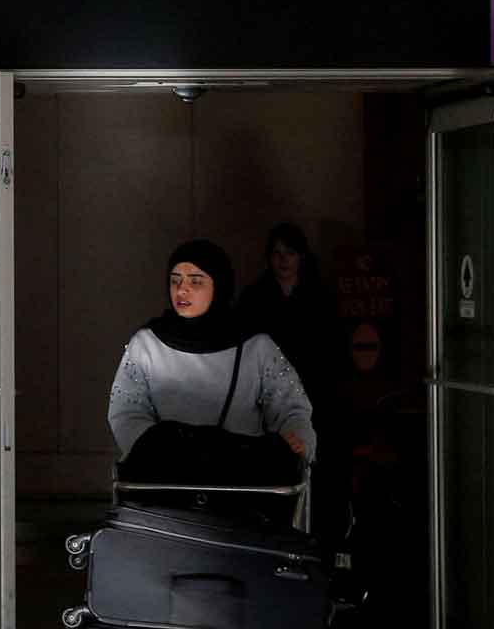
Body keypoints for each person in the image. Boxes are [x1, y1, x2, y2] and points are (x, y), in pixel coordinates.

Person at [108, 239, 316, 490]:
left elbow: (291, 408)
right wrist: (159, 453)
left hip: (242, 485)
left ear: (219, 285)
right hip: (166, 483)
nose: (182, 290)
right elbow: (126, 412)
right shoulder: (147, 344)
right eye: (175, 280)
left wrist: (296, 439)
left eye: (195, 280)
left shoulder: (254, 346)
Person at [237, 223, 349, 542]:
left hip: (316, 394)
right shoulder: (255, 297)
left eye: (290, 253)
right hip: (268, 397)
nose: (283, 260)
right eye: (276, 253)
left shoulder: (319, 296)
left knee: (316, 468)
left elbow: (335, 349)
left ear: (302, 257)